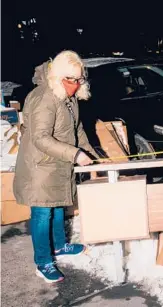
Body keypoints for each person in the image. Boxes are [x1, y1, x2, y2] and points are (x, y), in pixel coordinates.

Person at [13, 50, 100, 283]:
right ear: (58, 75)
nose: (75, 84)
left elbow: (77, 129)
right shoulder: (44, 98)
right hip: (39, 166)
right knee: (42, 213)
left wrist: (88, 152)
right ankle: (43, 262)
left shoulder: (68, 97)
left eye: (78, 79)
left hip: (58, 164)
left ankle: (60, 246)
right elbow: (40, 138)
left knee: (59, 205)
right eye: (70, 79)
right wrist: (74, 154)